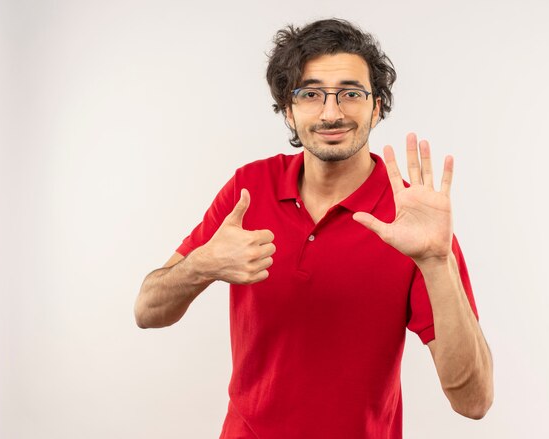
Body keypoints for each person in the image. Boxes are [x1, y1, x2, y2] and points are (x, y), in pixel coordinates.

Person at [134, 18, 493, 439]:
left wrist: (436, 260)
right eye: (310, 94)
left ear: (377, 107)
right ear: (288, 109)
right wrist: (200, 266)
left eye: (351, 94)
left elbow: (474, 402)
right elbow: (147, 311)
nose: (331, 112)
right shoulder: (249, 189)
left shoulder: (412, 218)